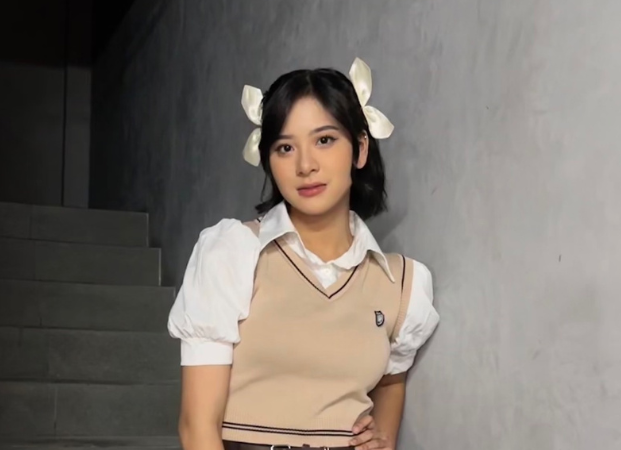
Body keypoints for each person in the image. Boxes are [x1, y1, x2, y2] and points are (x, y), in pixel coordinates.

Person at [168, 58, 440, 450]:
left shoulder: (400, 284)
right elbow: (197, 429)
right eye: (285, 148)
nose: (305, 165)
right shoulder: (234, 252)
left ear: (360, 148)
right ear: (269, 160)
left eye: (324, 140)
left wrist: (381, 441)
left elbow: (391, 382)